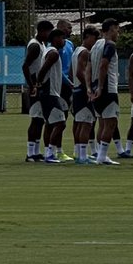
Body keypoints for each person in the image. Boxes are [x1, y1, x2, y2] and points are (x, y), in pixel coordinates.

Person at [33, 29, 69, 164]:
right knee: (61, 123)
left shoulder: (49, 51)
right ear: (55, 39)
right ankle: (50, 153)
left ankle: (49, 152)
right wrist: (39, 84)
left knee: (50, 124)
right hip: (50, 93)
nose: (64, 41)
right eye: (62, 38)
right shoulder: (53, 53)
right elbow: (43, 71)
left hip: (49, 92)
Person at [90, 18, 122, 166]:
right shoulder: (110, 45)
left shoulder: (95, 45)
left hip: (96, 86)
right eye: (116, 29)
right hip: (107, 88)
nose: (118, 33)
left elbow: (89, 67)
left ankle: (100, 154)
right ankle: (102, 156)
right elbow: (104, 65)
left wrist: (91, 87)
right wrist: (102, 87)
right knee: (111, 122)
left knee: (102, 123)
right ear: (109, 30)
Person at [23, 18, 53, 162]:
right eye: (49, 32)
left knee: (40, 119)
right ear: (42, 31)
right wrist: (31, 85)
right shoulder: (35, 46)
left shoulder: (41, 44)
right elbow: (25, 66)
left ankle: (35, 151)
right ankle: (30, 153)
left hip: (39, 85)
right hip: (35, 86)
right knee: (35, 119)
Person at [71, 25, 100, 164]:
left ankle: (79, 153)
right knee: (86, 123)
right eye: (94, 39)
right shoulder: (85, 52)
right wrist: (88, 88)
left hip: (76, 90)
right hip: (82, 91)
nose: (95, 42)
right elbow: (79, 72)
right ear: (88, 36)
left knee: (79, 123)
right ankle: (82, 156)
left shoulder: (76, 50)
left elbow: (72, 73)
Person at [54, 19, 76, 161]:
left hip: (70, 85)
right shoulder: (56, 47)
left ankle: (77, 150)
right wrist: (69, 83)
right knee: (59, 120)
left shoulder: (70, 44)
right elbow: (59, 69)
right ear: (61, 28)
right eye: (69, 27)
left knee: (70, 117)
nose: (71, 30)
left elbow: (72, 65)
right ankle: (57, 150)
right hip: (61, 86)